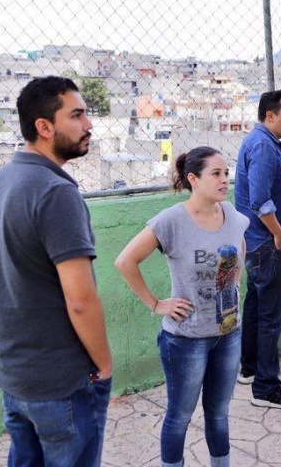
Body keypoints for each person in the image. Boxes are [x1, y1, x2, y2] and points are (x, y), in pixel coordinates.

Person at [0, 75, 112, 466]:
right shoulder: (56, 193)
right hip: (60, 382)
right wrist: (104, 366)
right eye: (77, 115)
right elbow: (81, 301)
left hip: (15, 375)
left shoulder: (1, 181)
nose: (88, 125)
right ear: (44, 127)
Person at [115, 147, 249, 467]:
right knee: (179, 417)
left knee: (219, 414)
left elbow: (239, 248)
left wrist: (234, 283)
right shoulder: (172, 220)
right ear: (193, 179)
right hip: (186, 339)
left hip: (228, 333)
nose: (224, 180)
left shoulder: (231, 213)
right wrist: (157, 304)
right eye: (215, 173)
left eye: (226, 173)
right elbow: (125, 261)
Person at [234, 90, 281, 408]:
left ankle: (250, 368)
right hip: (267, 242)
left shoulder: (261, 141)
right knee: (271, 315)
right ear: (270, 116)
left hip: (256, 241)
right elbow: (260, 200)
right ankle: (266, 387)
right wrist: (279, 235)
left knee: (256, 306)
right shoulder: (263, 145)